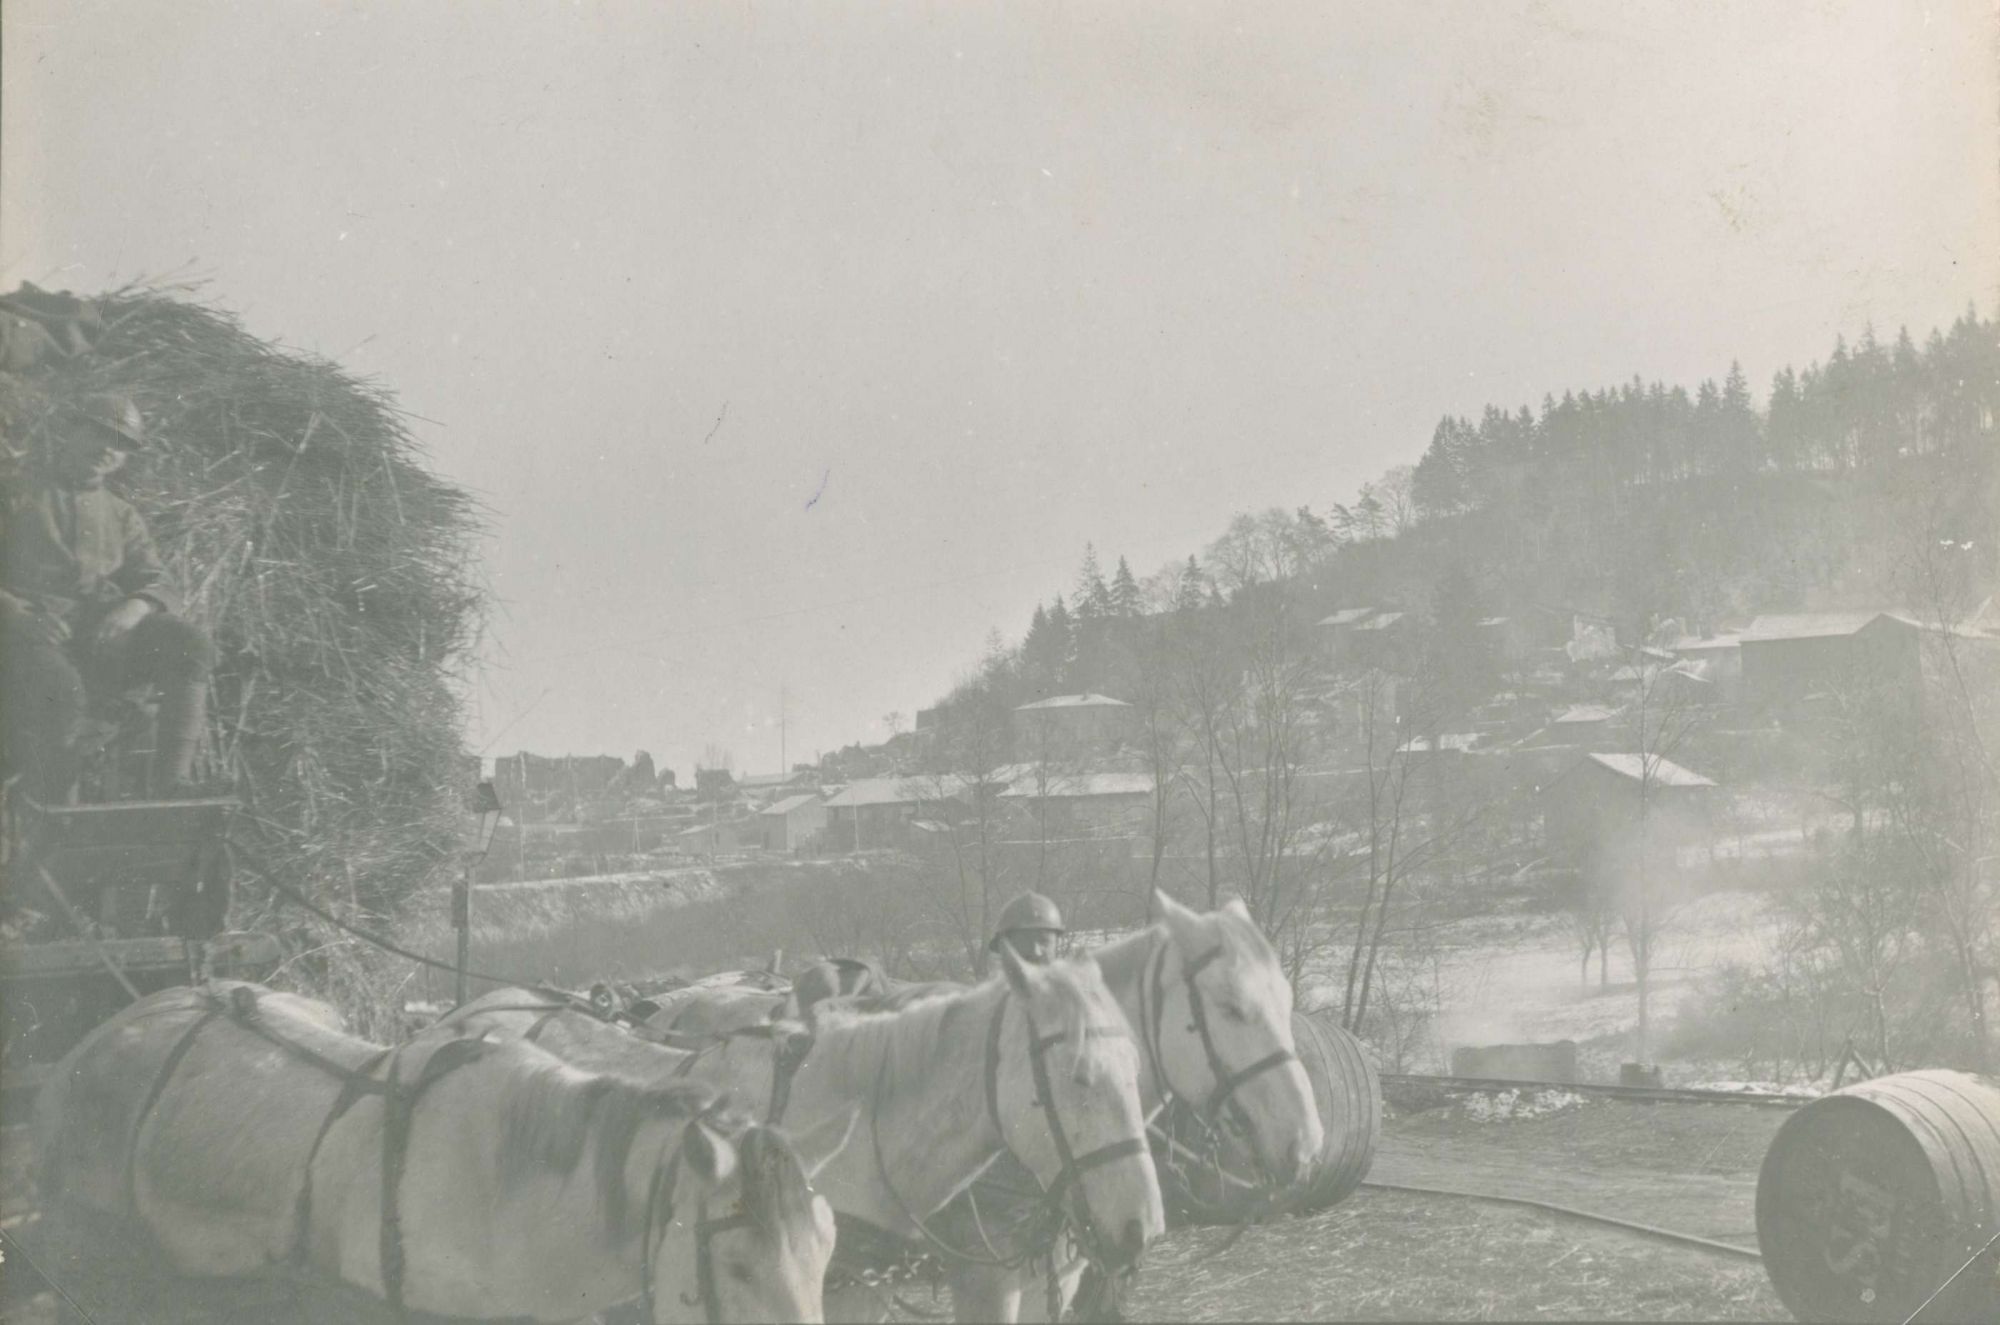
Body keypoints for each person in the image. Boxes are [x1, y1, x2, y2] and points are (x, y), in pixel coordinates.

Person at [1, 394, 216, 799]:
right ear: (70, 430)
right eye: (98, 434)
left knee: (191, 645)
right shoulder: (14, 495)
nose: (106, 449)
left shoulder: (121, 514)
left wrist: (134, 608)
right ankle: (54, 809)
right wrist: (14, 612)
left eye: (120, 445)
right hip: (27, 631)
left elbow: (157, 579)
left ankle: (172, 782)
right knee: (62, 689)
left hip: (98, 633)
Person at [988, 890, 1065, 966]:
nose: (1036, 952)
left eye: (1044, 941)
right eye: (1025, 942)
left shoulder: (1073, 977)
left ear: (1056, 944)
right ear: (1003, 949)